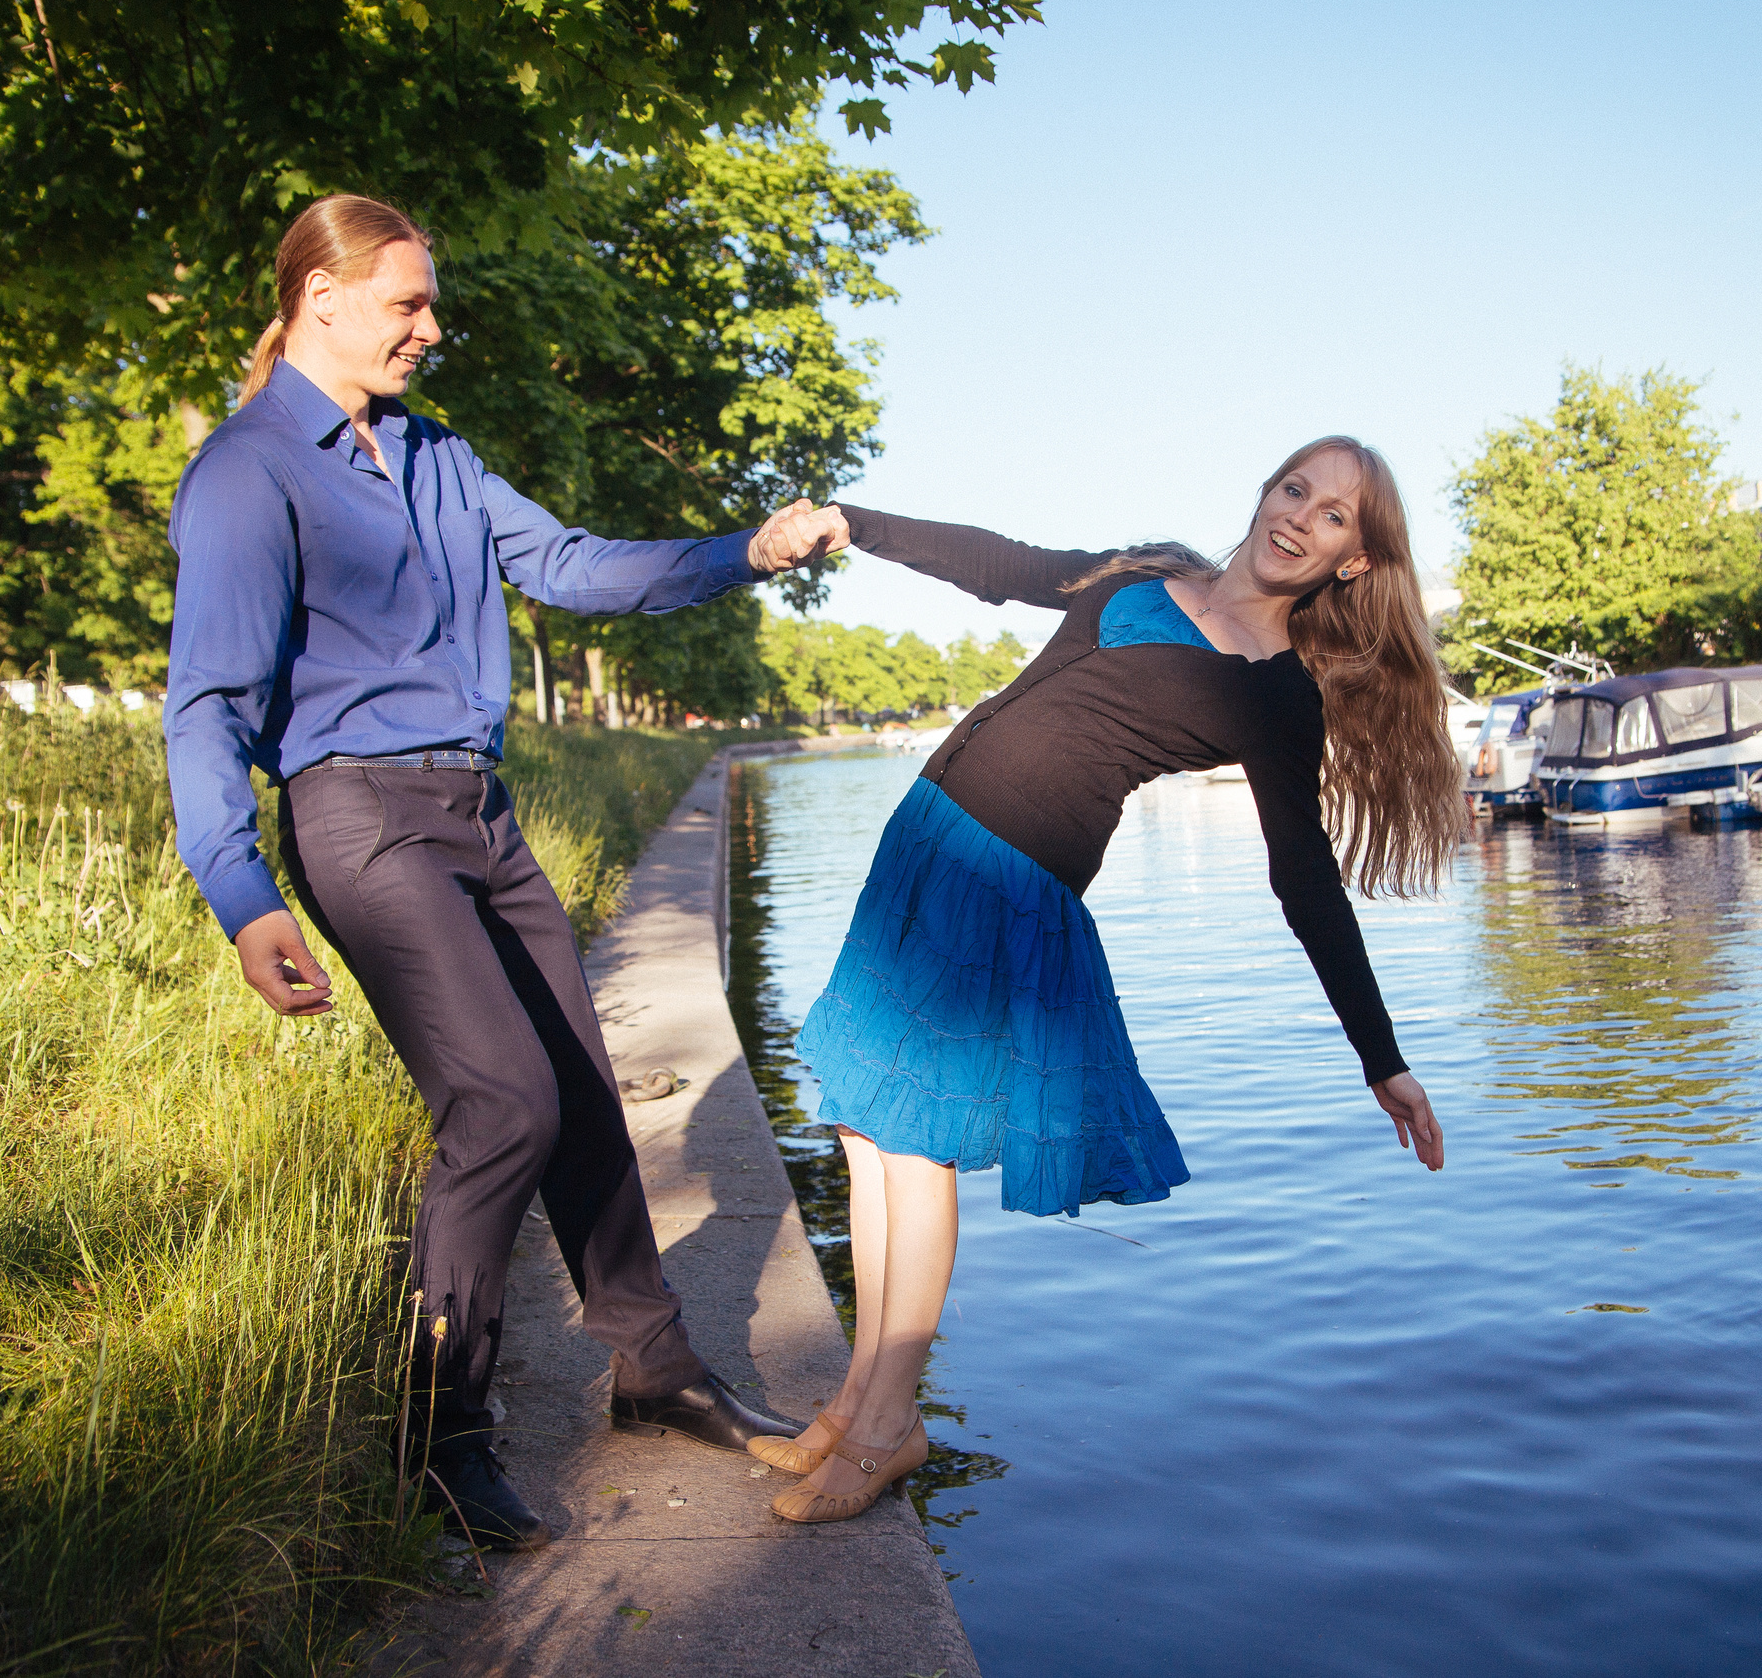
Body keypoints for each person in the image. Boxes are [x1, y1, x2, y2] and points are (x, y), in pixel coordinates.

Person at [164, 194, 842, 1550]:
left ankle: (652, 1366)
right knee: (503, 1099)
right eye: (409, 302)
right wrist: (241, 893)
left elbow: (579, 570)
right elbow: (208, 701)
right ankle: (439, 1433)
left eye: (431, 302)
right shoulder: (248, 470)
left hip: (479, 810)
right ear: (323, 299)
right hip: (360, 819)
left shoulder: (439, 458)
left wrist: (745, 551)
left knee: (583, 1093)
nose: (432, 326)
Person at [750, 437, 1469, 1522]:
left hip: (1009, 887)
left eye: (1333, 518)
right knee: (865, 1126)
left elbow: (1304, 881)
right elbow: (1000, 563)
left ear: (1355, 562)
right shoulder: (1138, 576)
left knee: (920, 1142)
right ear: (1265, 489)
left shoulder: (1274, 693)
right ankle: (856, 1403)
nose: (1300, 519)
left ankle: (895, 1424)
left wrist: (1384, 1059)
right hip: (924, 847)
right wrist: (857, 521)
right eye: (1295, 490)